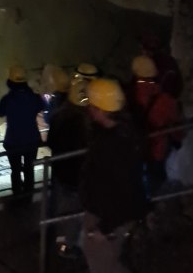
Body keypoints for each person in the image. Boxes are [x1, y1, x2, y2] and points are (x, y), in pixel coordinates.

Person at [80, 79, 148, 273]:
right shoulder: (122, 133)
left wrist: (105, 228)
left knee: (104, 265)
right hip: (107, 215)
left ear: (100, 109)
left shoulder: (113, 144)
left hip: (108, 218)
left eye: (91, 105)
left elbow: (124, 189)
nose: (89, 109)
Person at [46, 80, 90, 258]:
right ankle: (70, 245)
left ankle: (58, 239)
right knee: (76, 210)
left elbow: (50, 141)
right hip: (78, 172)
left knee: (62, 206)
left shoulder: (58, 115)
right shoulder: (85, 120)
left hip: (61, 169)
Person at [0, 65, 44, 200]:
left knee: (15, 171)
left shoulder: (8, 99)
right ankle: (29, 197)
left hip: (13, 141)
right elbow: (42, 105)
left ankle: (17, 197)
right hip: (31, 139)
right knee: (29, 170)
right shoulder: (34, 97)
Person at [141, 33, 183, 98]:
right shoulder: (169, 61)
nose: (143, 52)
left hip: (160, 101)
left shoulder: (156, 63)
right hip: (166, 101)